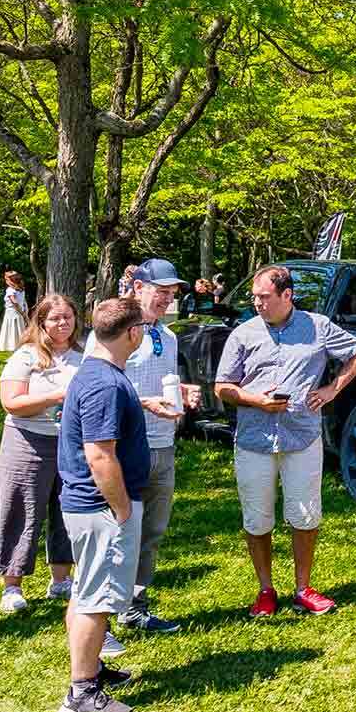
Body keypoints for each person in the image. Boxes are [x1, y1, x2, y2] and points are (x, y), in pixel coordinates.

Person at [211, 264, 356, 617]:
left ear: (287, 295)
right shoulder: (244, 333)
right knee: (257, 519)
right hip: (254, 439)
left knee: (305, 514)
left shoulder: (317, 327)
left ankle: (303, 588)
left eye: (264, 297)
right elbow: (222, 386)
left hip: (302, 436)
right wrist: (256, 400)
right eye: (254, 297)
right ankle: (266, 590)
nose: (257, 303)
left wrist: (332, 389)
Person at [53, 296, 154, 712]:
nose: (143, 336)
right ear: (131, 333)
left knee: (86, 589)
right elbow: (99, 455)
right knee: (97, 597)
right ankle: (81, 693)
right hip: (100, 508)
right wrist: (121, 510)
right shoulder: (104, 383)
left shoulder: (97, 373)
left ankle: (91, 668)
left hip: (93, 507)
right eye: (143, 330)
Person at [119, 260, 199, 637]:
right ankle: (102, 613)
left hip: (163, 443)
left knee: (152, 530)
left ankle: (135, 606)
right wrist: (146, 402)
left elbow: (160, 380)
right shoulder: (114, 332)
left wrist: (182, 392)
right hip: (123, 446)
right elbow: (100, 387)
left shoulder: (167, 337)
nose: (167, 299)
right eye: (160, 291)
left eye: (171, 293)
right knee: (118, 532)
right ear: (137, 288)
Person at [0, 294, 83, 613]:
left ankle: (61, 579)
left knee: (66, 510)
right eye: (55, 318)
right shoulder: (26, 356)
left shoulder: (82, 356)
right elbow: (11, 402)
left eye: (68, 317)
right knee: (22, 510)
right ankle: (12, 586)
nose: (62, 324)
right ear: (41, 322)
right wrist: (57, 396)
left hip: (69, 443)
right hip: (27, 441)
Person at [0, 270, 30, 352]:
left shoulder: (10, 290)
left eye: (7, 279)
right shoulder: (20, 289)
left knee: (13, 329)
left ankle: (14, 346)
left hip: (13, 312)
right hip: (17, 312)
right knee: (17, 328)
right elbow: (22, 302)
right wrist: (24, 312)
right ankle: (17, 345)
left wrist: (23, 312)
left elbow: (15, 302)